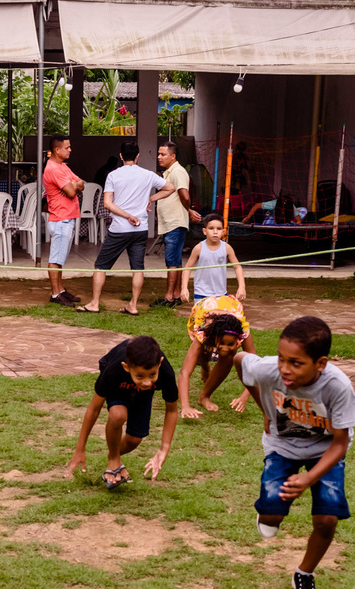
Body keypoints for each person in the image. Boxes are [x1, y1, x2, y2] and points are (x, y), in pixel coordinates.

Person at [236, 316, 355, 589]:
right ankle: (269, 513)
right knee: (270, 520)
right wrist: (265, 408)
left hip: (325, 449)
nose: (284, 369)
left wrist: (309, 478)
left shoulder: (338, 386)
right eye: (281, 359)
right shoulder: (268, 370)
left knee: (327, 518)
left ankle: (304, 574)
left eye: (295, 363)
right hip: (282, 446)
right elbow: (240, 360)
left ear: (320, 363)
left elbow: (340, 443)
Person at [65, 335, 179, 490]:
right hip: (119, 386)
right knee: (118, 415)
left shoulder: (165, 373)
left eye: (152, 374)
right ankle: (113, 460)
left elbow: (172, 410)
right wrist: (80, 448)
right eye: (140, 375)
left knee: (134, 440)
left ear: (159, 364)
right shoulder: (115, 370)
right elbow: (94, 408)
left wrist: (164, 449)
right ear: (127, 367)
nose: (146, 382)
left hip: (142, 394)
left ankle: (114, 456)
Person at [75, 140, 174, 315]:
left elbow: (107, 203)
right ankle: (133, 305)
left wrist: (128, 216)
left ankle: (94, 304)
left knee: (100, 266)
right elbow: (170, 188)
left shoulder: (113, 175)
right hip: (140, 229)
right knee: (138, 268)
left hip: (119, 228)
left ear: (121, 156)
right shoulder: (148, 174)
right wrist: (151, 199)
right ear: (137, 156)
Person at [178, 302, 255, 416]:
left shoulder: (243, 333)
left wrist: (244, 397)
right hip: (205, 307)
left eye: (230, 343)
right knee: (203, 352)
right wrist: (185, 407)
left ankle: (204, 396)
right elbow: (184, 373)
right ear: (214, 337)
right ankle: (204, 366)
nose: (225, 348)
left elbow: (255, 368)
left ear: (238, 339)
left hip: (228, 305)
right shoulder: (203, 332)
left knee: (230, 355)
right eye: (222, 343)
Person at [154, 141, 201, 307]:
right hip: (170, 222)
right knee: (175, 260)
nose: (159, 157)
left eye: (163, 154)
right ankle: (176, 294)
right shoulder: (169, 172)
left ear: (173, 156)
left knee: (171, 261)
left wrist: (188, 209)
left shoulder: (178, 172)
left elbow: (185, 195)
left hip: (175, 222)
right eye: (159, 154)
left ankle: (169, 297)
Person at [41, 135, 84, 307]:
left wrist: (74, 184)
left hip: (66, 217)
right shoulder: (54, 169)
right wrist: (74, 185)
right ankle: (55, 293)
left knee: (60, 257)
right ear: (57, 150)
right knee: (55, 258)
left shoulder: (62, 167)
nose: (70, 150)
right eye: (67, 147)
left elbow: (81, 183)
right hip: (61, 218)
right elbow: (73, 191)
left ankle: (60, 290)